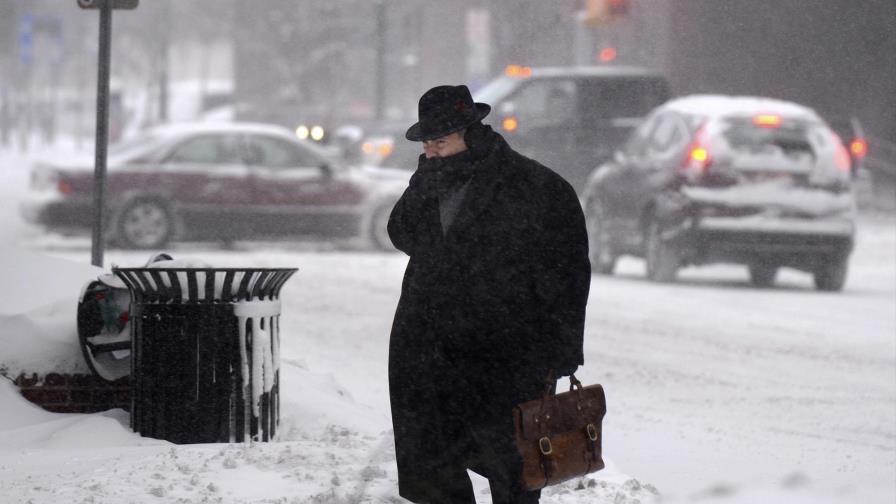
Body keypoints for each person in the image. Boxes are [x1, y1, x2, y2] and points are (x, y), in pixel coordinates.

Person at [387, 84, 591, 504]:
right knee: (433, 470)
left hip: (505, 355)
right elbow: (403, 234)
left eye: (439, 142)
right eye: (426, 144)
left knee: (513, 469)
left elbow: (567, 275)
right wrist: (423, 184)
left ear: (471, 130)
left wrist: (563, 348)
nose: (431, 152)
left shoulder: (537, 188)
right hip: (429, 353)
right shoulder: (431, 179)